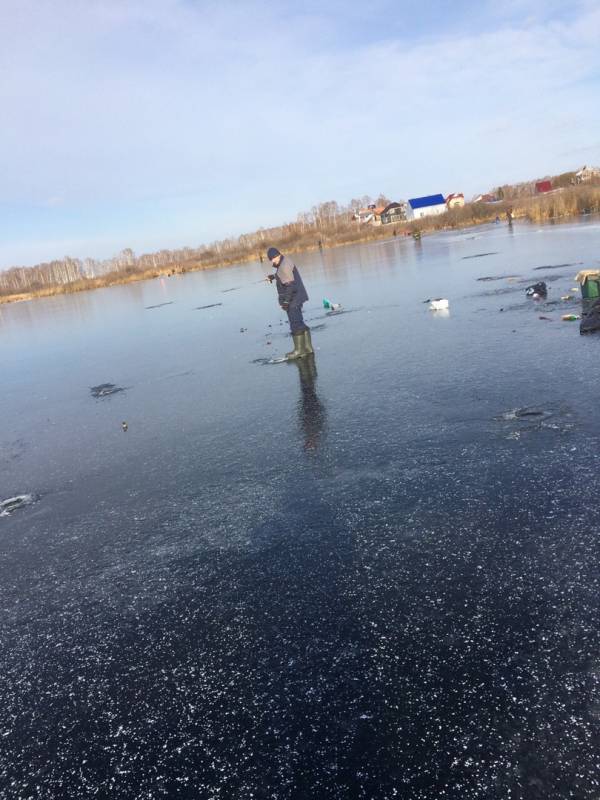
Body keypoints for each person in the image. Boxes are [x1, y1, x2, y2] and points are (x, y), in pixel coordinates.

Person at [266, 247, 313, 359]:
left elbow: (290, 286)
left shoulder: (283, 266)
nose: (272, 261)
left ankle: (299, 351)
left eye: (273, 258)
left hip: (293, 299)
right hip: (298, 297)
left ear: (278, 255)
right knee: (299, 322)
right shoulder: (285, 261)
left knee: (295, 324)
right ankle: (308, 348)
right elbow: (283, 275)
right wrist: (274, 276)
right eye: (271, 259)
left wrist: (286, 302)